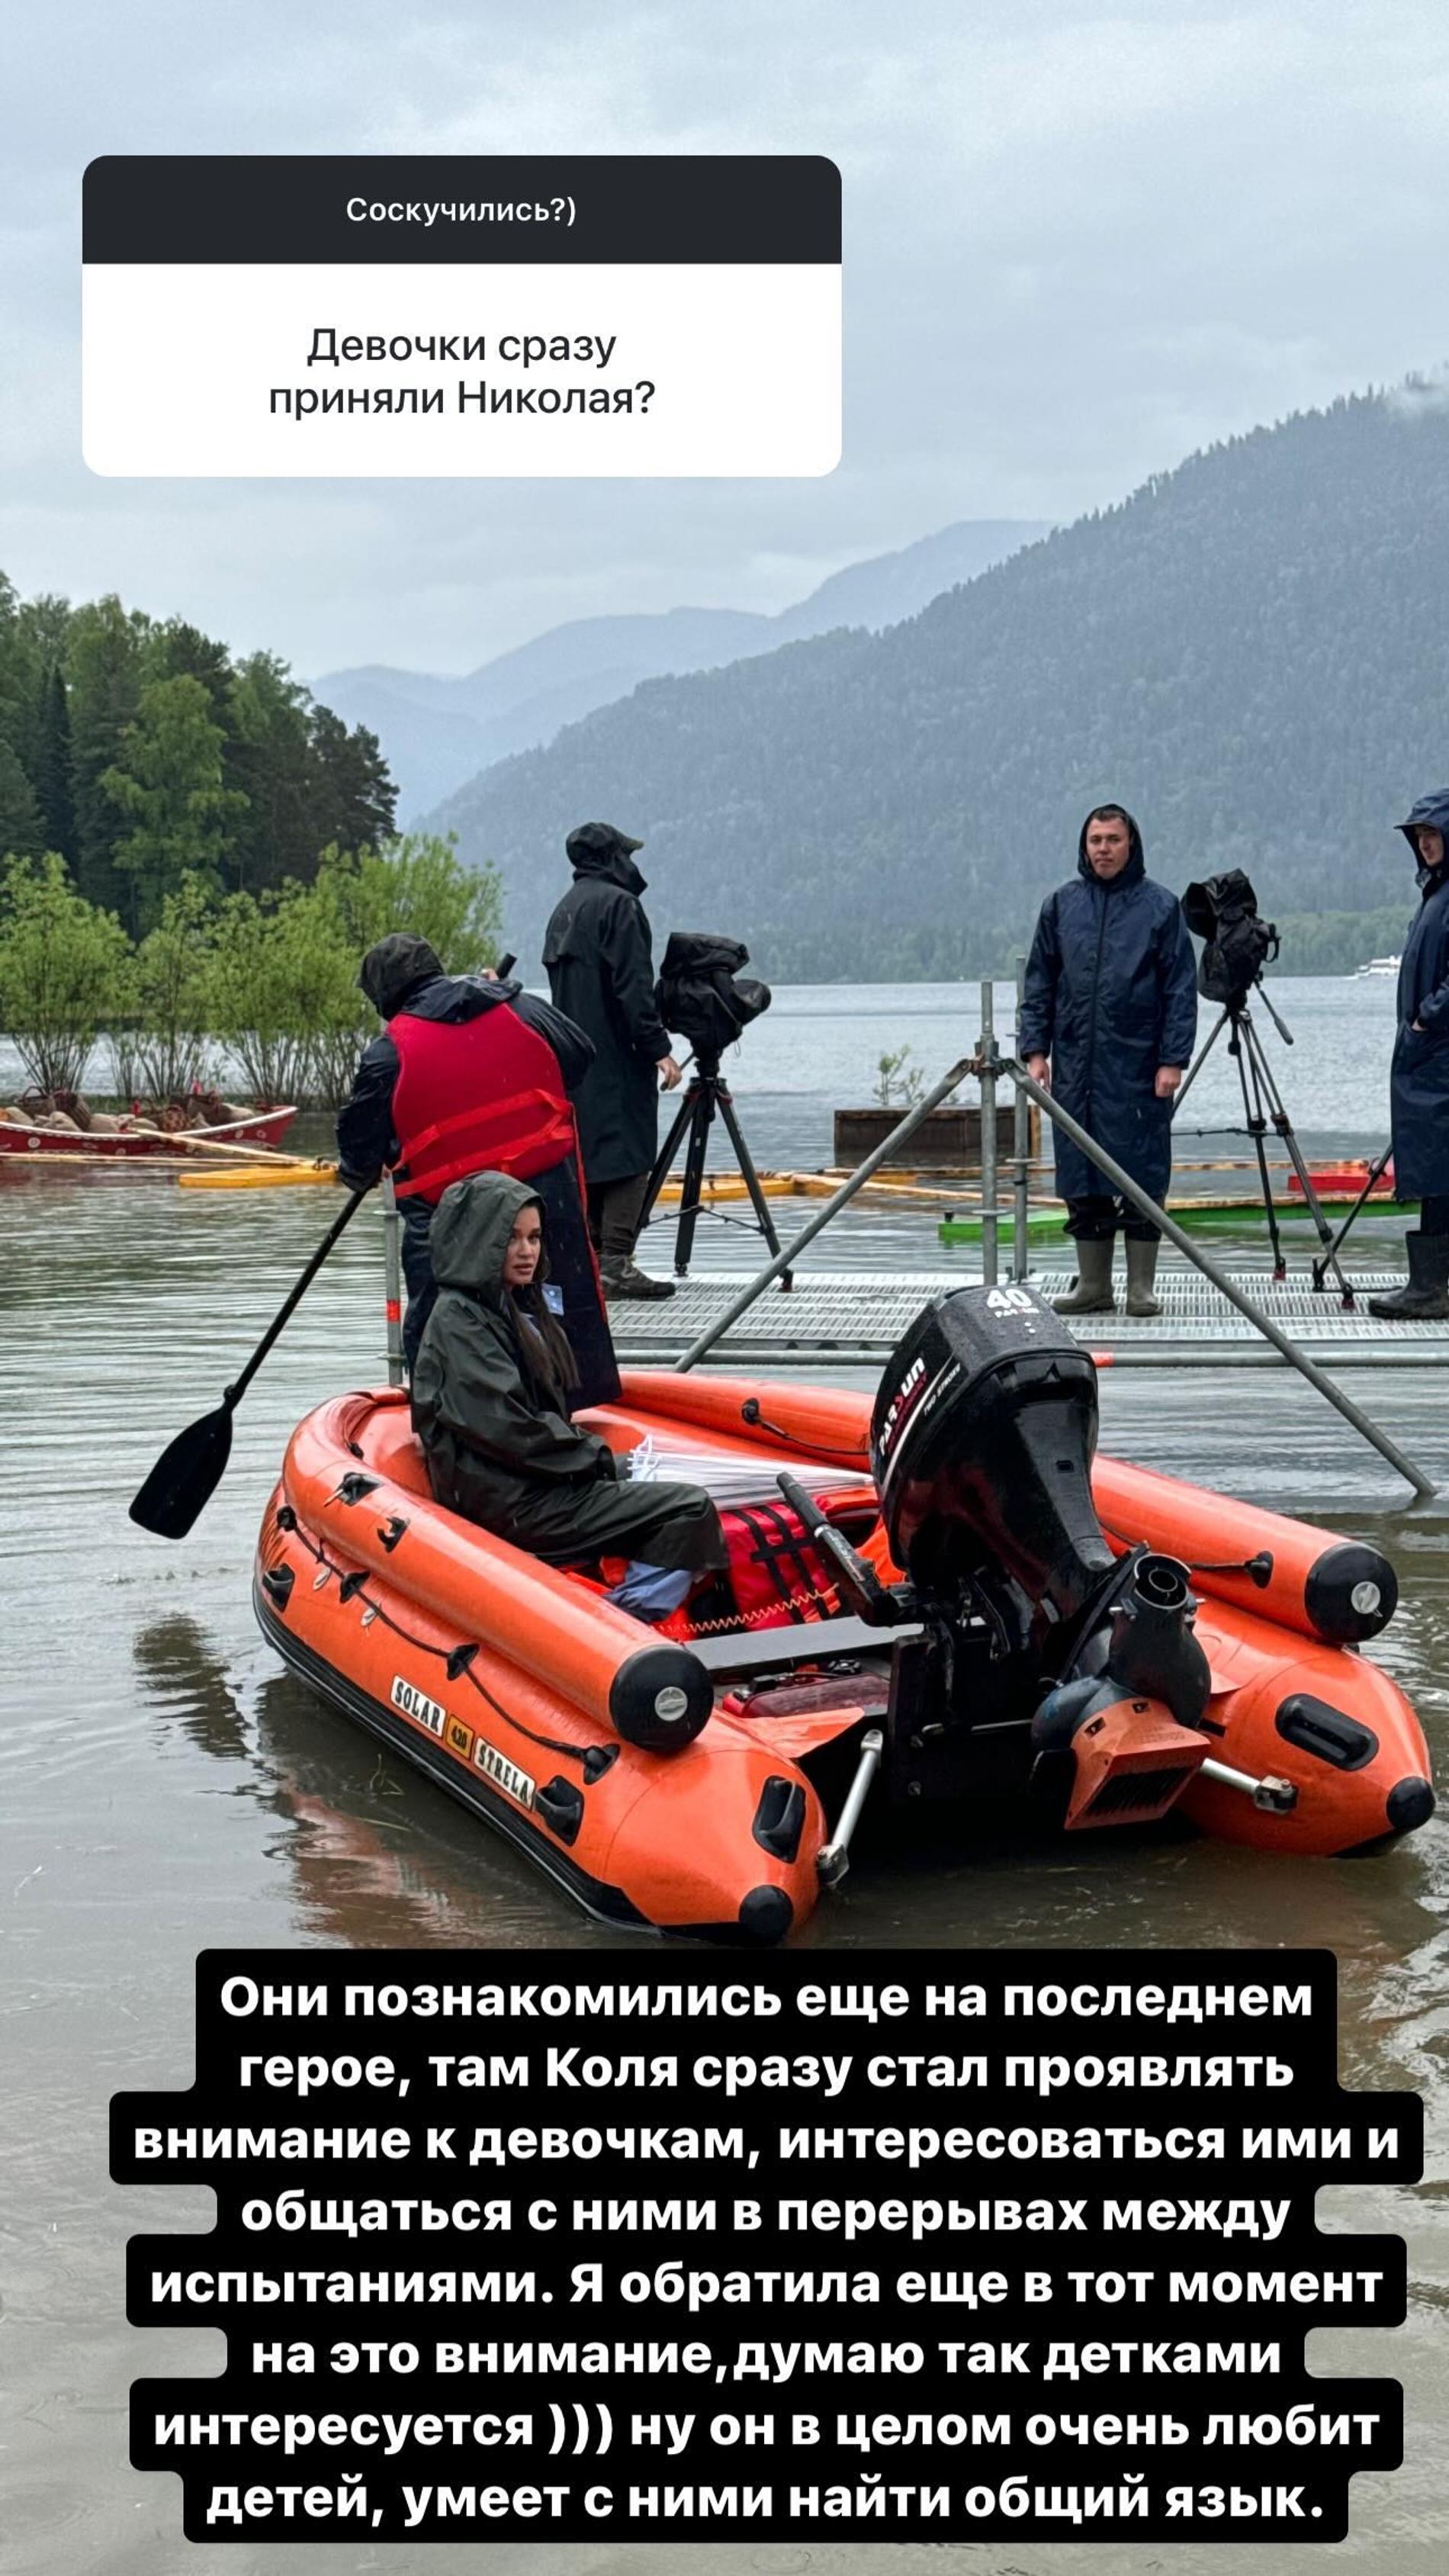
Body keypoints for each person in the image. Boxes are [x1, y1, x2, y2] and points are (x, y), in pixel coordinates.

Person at [411, 1170, 728, 1610]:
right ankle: (631, 1614)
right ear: (480, 1241)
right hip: (513, 1504)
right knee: (689, 1507)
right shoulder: (460, 1323)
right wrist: (591, 1457)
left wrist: (590, 1460)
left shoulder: (502, 1308)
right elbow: (508, 1428)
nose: (527, 1251)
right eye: (511, 1239)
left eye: (535, 1237)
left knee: (657, 1475)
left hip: (524, 1486)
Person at [336, 931, 618, 1401]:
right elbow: (579, 1056)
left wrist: (377, 1158)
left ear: (384, 997)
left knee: (440, 1315)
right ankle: (574, 1401)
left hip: (453, 1218)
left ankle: (445, 1411)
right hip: (546, 1198)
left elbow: (357, 1156)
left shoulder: (388, 1053)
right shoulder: (520, 1007)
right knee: (558, 1302)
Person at [1020, 804, 1197, 1317]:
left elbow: (1180, 990)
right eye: (1096, 840)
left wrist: (1173, 1060)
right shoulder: (1060, 906)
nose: (1104, 849)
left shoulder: (1161, 907)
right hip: (1075, 1065)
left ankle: (1141, 1288)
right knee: (1081, 1173)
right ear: (1085, 845)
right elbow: (1039, 983)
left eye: (1113, 839)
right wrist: (1035, 1050)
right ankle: (1093, 1286)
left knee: (1143, 1172)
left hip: (1140, 1066)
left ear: (1130, 844)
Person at [542, 820, 682, 1300]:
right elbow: (633, 988)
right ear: (612, 858)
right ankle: (617, 1264)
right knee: (630, 1154)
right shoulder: (621, 906)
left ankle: (593, 1259)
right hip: (619, 1057)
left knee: (590, 1156)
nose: (632, 863)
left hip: (574, 1060)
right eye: (627, 854)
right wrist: (659, 1049)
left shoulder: (564, 909)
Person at [1367, 792, 1449, 1320]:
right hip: (1428, 1058)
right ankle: (1430, 1283)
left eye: (1432, 833)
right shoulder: (1435, 894)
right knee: (1436, 1170)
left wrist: (1427, 1017)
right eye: (1418, 836)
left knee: (1439, 1170)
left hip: (1439, 1056)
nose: (1424, 843)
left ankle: (1430, 1289)